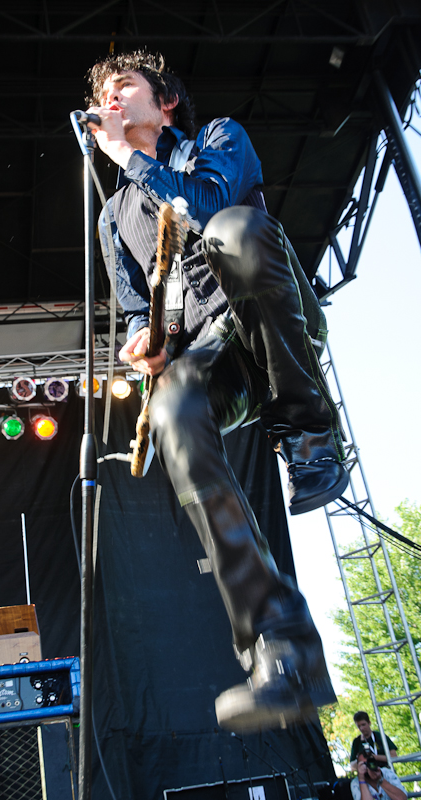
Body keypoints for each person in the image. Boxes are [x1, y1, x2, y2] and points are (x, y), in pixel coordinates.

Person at [87, 50, 348, 731]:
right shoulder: (114, 219)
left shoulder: (216, 140)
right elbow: (148, 316)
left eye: (124, 87)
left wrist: (133, 160)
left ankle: (311, 431)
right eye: (102, 96)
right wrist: (145, 346)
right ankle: (279, 649)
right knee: (173, 402)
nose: (110, 100)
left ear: (164, 101)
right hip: (212, 355)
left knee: (234, 229)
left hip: (270, 323)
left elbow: (206, 210)